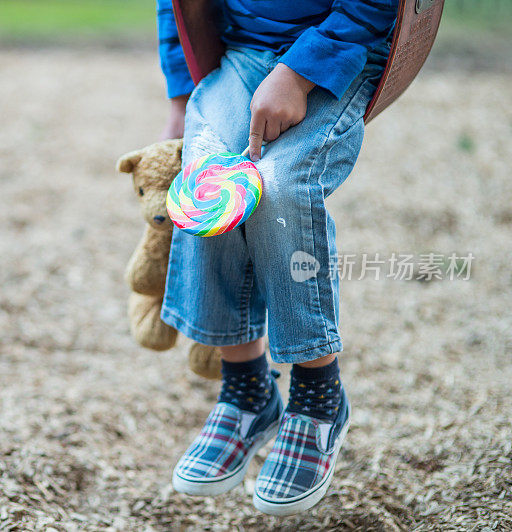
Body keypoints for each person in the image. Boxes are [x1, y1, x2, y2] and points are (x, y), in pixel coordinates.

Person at [156, 0, 397, 515]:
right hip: (240, 57)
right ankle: (246, 391)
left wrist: (298, 73)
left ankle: (318, 397)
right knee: (208, 186)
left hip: (336, 53)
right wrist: (180, 97)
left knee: (279, 187)